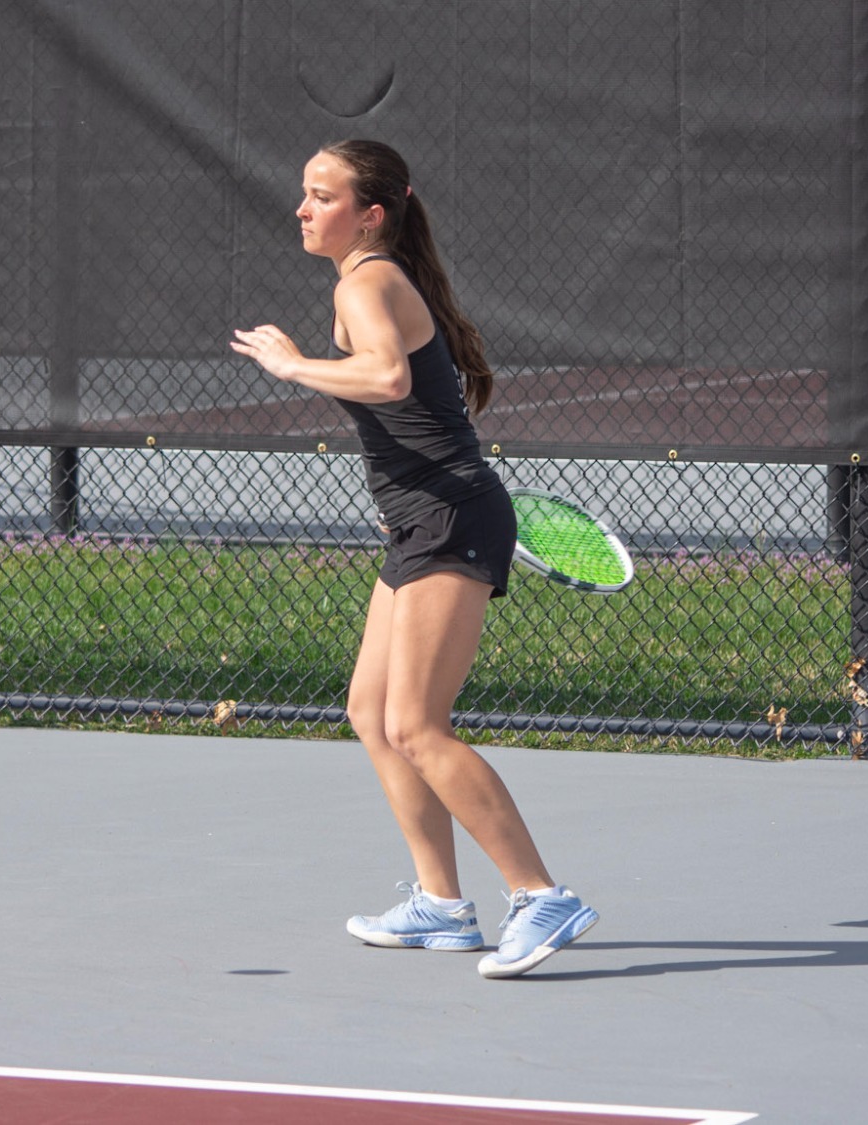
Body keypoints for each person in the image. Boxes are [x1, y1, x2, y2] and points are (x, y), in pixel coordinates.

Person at [230, 139, 598, 979]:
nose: (302, 207)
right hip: (416, 524)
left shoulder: (368, 280)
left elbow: (390, 378)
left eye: (321, 195)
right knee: (370, 710)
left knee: (417, 725)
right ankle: (440, 905)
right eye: (303, 192)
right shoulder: (363, 281)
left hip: (450, 516)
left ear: (371, 213)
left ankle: (541, 893)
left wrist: (294, 366)